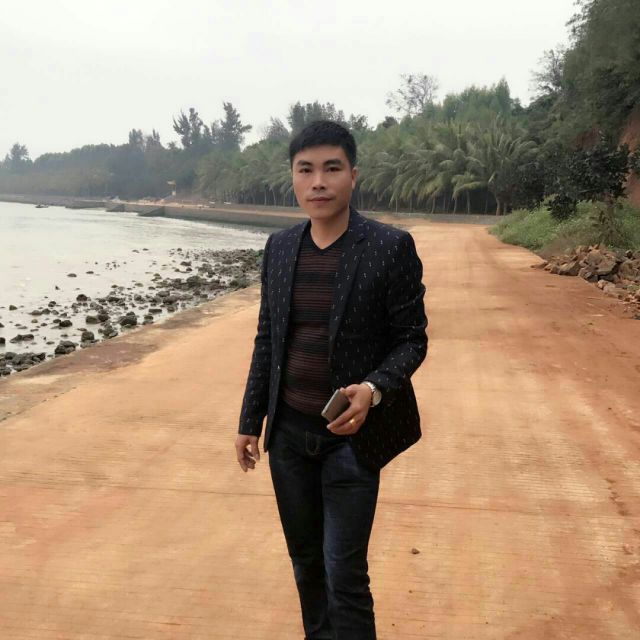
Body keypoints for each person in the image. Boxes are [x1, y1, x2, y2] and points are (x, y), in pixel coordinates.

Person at [235, 120, 428, 640]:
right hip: (289, 439)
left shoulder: (388, 246)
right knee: (306, 566)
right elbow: (268, 338)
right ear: (293, 178)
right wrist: (251, 420)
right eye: (306, 170)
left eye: (331, 168)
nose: (318, 181)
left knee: (344, 574)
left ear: (353, 176)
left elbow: (412, 339)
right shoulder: (279, 248)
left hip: (351, 440)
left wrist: (374, 388)